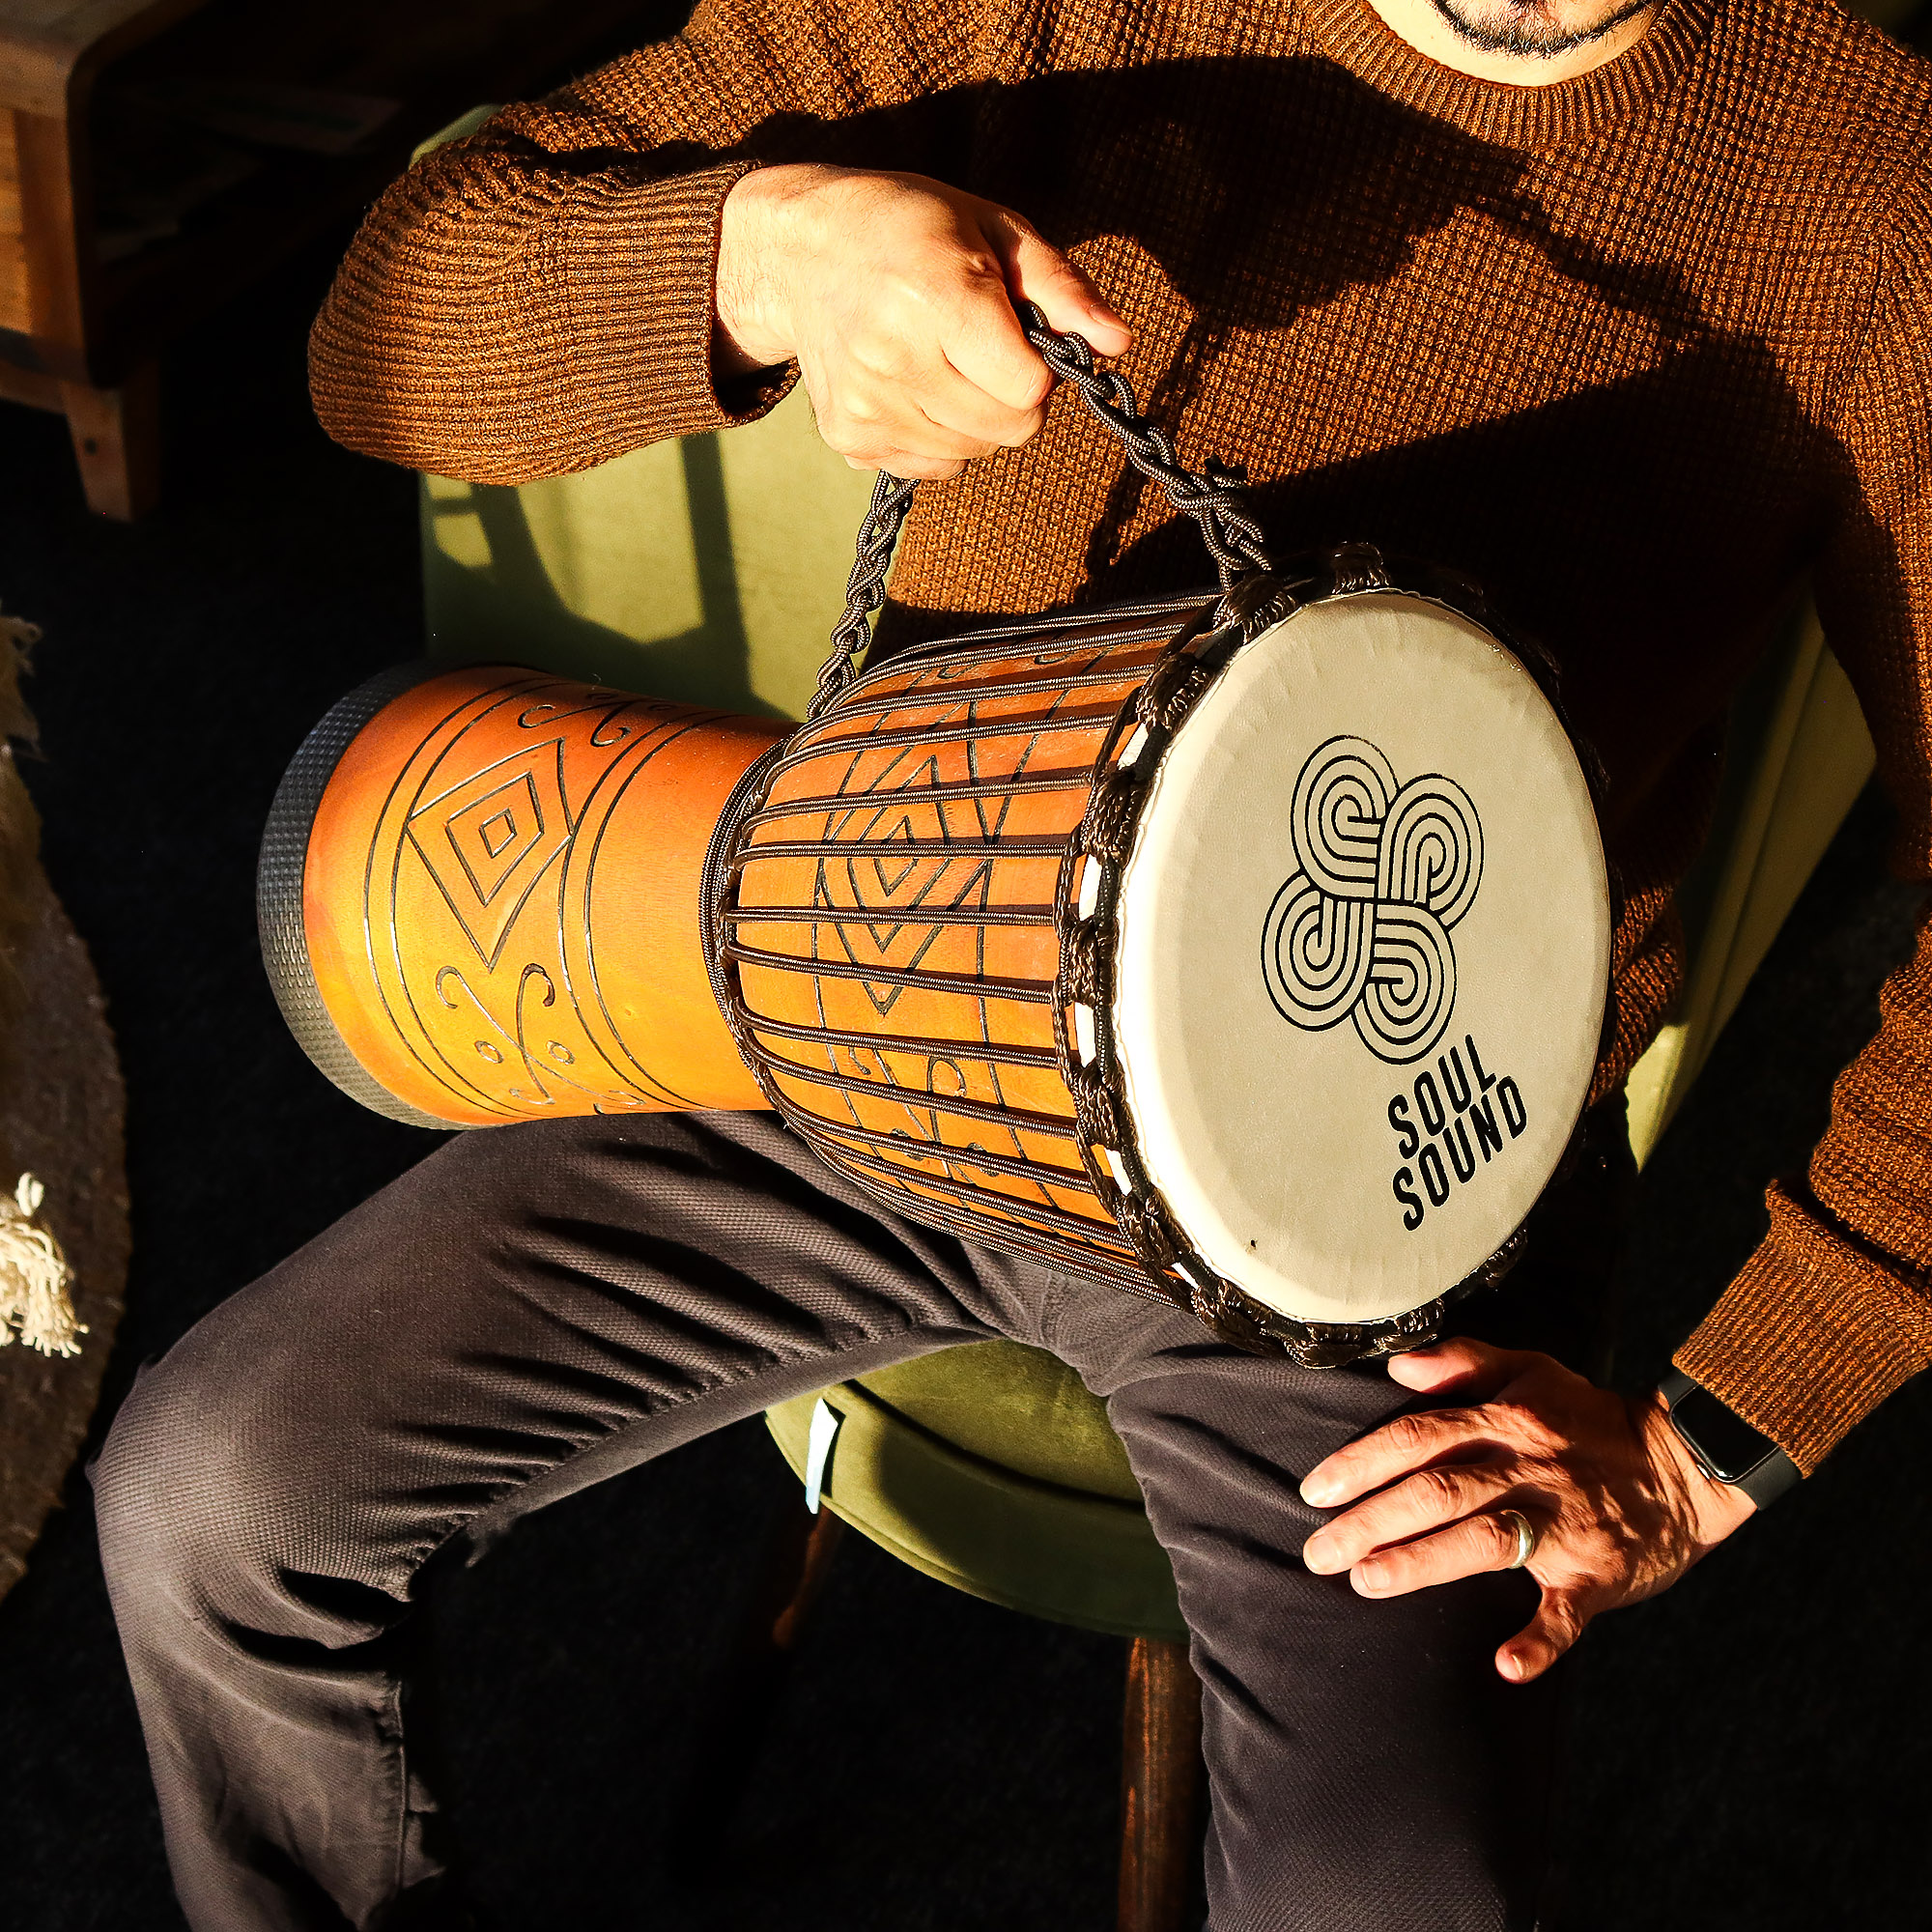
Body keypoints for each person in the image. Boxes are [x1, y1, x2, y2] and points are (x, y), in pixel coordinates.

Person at [93, 0, 1932, 1924]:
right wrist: (767, 256)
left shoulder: (1873, 177)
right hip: (883, 981)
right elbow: (382, 331)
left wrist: (1715, 1442)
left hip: (1386, 1170)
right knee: (215, 1496)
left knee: (1395, 1896)